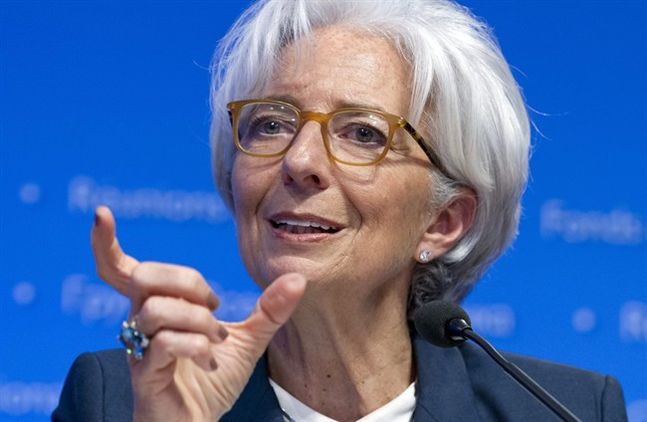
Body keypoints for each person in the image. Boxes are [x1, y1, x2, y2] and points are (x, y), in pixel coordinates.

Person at [53, 0, 628, 421]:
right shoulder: (117, 400)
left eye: (361, 133)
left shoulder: (565, 411)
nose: (299, 160)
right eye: (273, 123)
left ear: (443, 221)